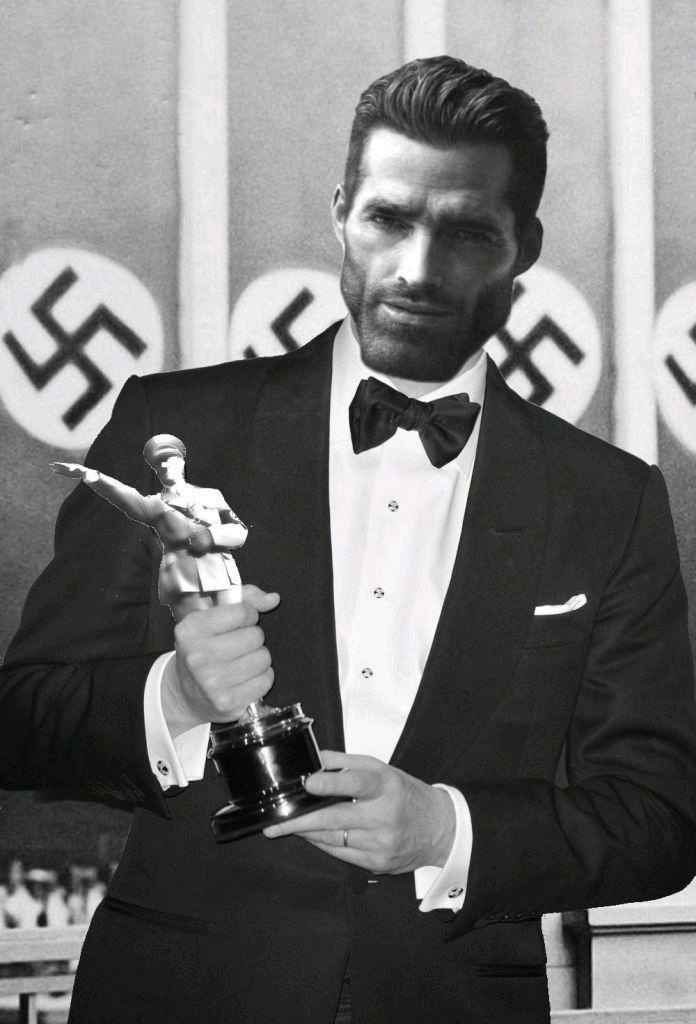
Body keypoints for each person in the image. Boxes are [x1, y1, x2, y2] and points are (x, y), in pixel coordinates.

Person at [1, 55, 696, 1024]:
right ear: (340, 213)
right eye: (388, 218)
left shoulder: (607, 498)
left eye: (466, 231)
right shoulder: (175, 430)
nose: (417, 268)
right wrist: (177, 697)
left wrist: (447, 831)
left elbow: (659, 815)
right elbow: (23, 722)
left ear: (524, 245)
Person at [49, 433, 248, 621]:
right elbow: (122, 494)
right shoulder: (154, 504)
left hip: (223, 574)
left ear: (181, 462)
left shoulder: (211, 495)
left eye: (169, 459)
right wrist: (90, 475)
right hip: (185, 580)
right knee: (200, 632)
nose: (164, 466)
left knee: (232, 627)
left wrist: (213, 536)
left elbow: (240, 530)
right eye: (159, 464)